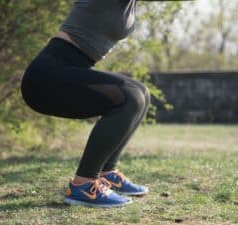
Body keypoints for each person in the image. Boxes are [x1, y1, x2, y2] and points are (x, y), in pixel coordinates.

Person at [21, 0, 151, 208]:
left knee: (142, 93)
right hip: (46, 75)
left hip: (69, 69)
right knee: (130, 98)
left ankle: (106, 174)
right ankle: (83, 184)